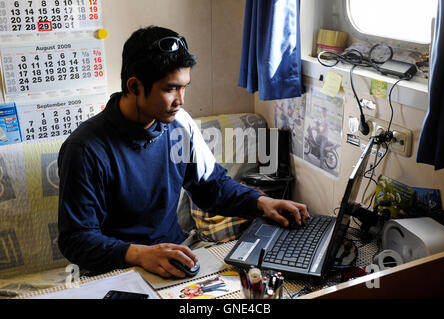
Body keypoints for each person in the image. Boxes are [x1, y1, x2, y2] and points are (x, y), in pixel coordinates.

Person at [57, 26, 309, 279]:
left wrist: (262, 202)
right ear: (134, 86)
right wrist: (139, 254)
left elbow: (211, 186)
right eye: (170, 89)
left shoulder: (179, 124)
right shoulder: (86, 149)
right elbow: (76, 239)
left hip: (177, 258)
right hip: (116, 270)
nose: (181, 100)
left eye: (184, 87)